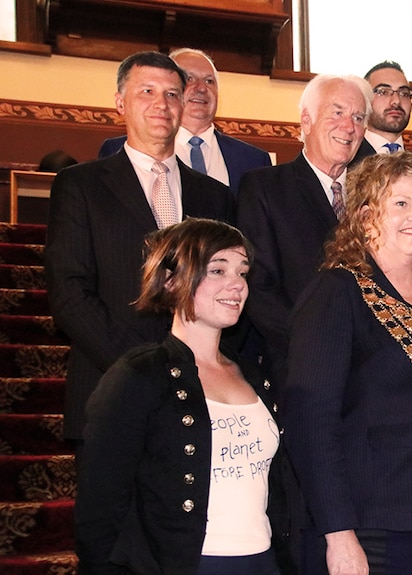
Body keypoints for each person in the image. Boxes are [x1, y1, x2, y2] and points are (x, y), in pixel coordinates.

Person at [282, 152, 412, 575]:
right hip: (375, 528)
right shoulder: (337, 293)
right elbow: (310, 423)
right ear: (365, 216)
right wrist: (338, 534)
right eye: (400, 203)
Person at [74, 218, 290, 575]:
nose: (236, 284)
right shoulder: (140, 375)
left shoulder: (255, 374)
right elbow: (100, 509)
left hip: (264, 561)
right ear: (172, 281)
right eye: (217, 270)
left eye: (242, 272)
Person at [45, 51, 233, 443]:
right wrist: (144, 368)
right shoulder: (80, 186)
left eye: (171, 94)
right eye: (147, 91)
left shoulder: (216, 197)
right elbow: (70, 294)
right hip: (111, 387)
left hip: (201, 397)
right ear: (120, 102)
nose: (161, 104)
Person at [236, 73, 371, 362]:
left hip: (372, 366)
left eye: (358, 118)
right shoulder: (265, 188)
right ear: (306, 120)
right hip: (301, 361)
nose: (349, 127)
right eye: (337, 113)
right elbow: (259, 286)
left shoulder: (374, 195)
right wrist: (315, 346)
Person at [99, 48, 272, 197]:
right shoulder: (116, 149)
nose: (201, 88)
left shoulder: (254, 160)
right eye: (189, 79)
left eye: (209, 81)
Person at [351, 60, 412, 168]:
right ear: (364, 101)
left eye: (404, 93)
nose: (396, 101)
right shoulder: (345, 163)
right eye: (383, 92)